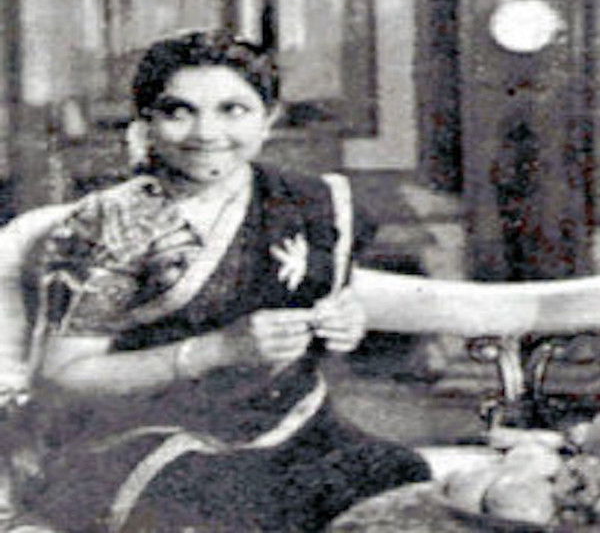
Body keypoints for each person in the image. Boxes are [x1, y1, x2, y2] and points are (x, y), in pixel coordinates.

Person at [0, 30, 576, 533]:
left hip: (297, 425)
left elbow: (319, 295)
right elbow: (62, 377)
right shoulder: (108, 226)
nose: (207, 132)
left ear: (268, 117)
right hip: (138, 441)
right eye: (178, 111)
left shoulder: (308, 201)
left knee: (399, 482)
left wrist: (341, 320)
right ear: (146, 122)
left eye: (233, 109)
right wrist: (214, 351)